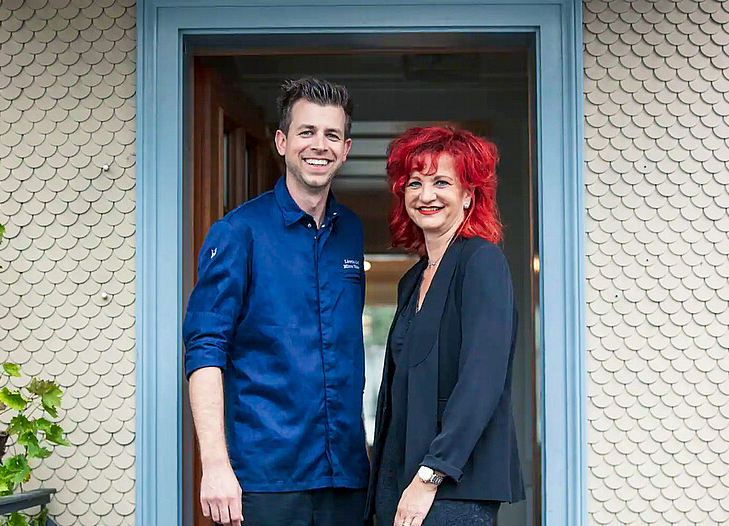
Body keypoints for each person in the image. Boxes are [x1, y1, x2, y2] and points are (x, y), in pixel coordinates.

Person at [183, 77, 369, 526]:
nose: (319, 145)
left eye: (331, 135)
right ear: (283, 142)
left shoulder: (351, 231)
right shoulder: (237, 232)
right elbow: (205, 352)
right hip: (265, 481)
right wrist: (215, 466)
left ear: (345, 149)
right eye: (307, 132)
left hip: (345, 478)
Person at [366, 126, 525, 526]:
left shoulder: (482, 262)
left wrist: (431, 474)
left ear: (469, 194)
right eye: (414, 183)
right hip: (398, 479)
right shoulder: (412, 280)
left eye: (441, 182)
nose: (426, 195)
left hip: (451, 484)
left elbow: (481, 381)